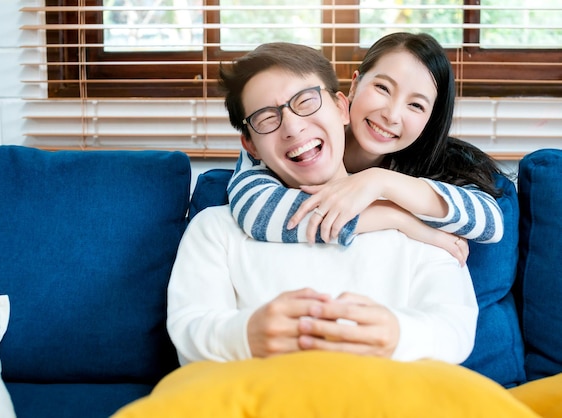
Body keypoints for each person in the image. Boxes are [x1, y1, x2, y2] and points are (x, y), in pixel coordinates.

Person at [166, 42, 478, 367]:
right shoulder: (215, 229)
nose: (293, 127)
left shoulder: (424, 225)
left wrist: (397, 334)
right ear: (250, 145)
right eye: (266, 117)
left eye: (306, 101)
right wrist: (245, 335)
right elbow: (189, 332)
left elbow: (455, 329)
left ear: (343, 107)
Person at [227, 32, 504, 255]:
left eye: (416, 105)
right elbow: (257, 210)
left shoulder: (437, 161)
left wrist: (380, 182)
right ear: (354, 86)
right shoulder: (293, 137)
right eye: (382, 88)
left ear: (430, 119)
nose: (392, 115)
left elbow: (490, 222)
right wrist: (398, 219)